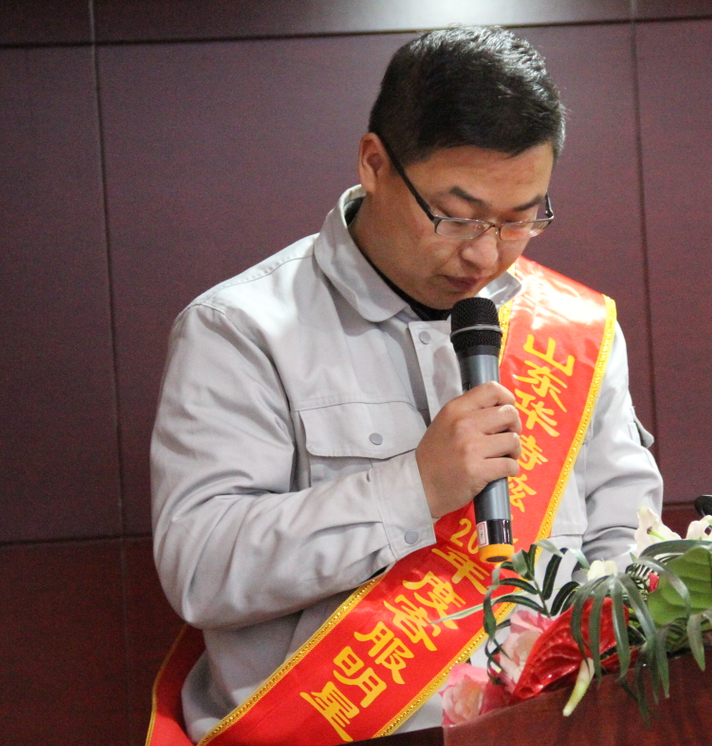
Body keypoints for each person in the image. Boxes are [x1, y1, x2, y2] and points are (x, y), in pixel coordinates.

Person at [150, 25, 662, 744]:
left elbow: (625, 540)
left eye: (520, 220)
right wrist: (414, 487)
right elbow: (201, 569)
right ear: (374, 164)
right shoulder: (241, 329)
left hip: (554, 724)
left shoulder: (573, 328)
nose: (485, 254)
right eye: (457, 217)